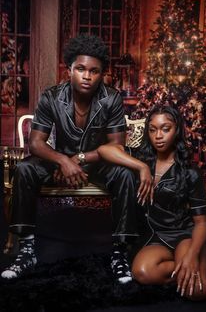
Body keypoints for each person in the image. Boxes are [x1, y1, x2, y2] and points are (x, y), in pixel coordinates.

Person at [1, 33, 138, 283]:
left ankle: (120, 251)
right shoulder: (52, 96)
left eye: (94, 71)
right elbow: (36, 143)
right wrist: (63, 161)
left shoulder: (112, 98)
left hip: (99, 162)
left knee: (126, 174)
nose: (87, 76)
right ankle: (27, 249)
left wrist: (77, 159)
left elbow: (116, 146)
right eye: (81, 69)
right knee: (24, 169)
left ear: (102, 74)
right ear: (69, 70)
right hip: (58, 161)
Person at [97, 104, 206, 300]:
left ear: (176, 129)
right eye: (152, 130)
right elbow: (104, 150)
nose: (158, 136)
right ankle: (198, 268)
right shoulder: (141, 159)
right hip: (156, 236)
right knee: (142, 272)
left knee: (196, 290)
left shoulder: (190, 172)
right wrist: (142, 167)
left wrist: (190, 256)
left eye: (165, 128)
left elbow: (202, 223)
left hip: (185, 236)